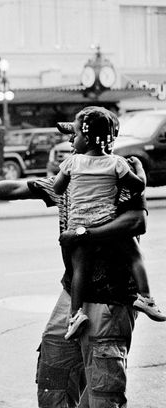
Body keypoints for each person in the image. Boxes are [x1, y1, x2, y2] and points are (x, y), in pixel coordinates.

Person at [0, 114, 148, 408]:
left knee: (105, 385)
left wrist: (86, 233)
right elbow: (25, 187)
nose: (68, 141)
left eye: (74, 133)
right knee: (54, 367)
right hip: (72, 291)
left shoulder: (122, 169)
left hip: (111, 294)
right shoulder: (71, 172)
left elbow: (138, 217)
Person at [50, 107, 159, 340]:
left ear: (86, 138)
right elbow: (138, 186)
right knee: (135, 255)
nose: (71, 139)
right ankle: (146, 297)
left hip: (78, 222)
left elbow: (57, 188)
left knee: (80, 268)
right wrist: (139, 169)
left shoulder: (72, 162)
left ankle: (76, 314)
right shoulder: (118, 163)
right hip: (106, 220)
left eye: (75, 134)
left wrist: (68, 179)